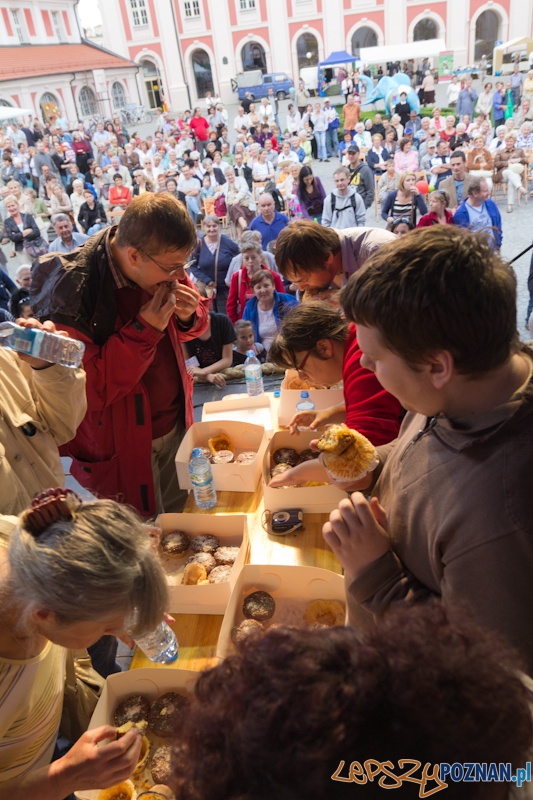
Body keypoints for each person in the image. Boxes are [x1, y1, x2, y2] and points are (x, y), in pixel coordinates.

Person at [325, 226, 533, 677]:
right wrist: (372, 464)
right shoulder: (460, 389)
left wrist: (376, 574)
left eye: (375, 359)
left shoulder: (502, 515)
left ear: (438, 366)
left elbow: (482, 673)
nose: (362, 365)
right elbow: (420, 445)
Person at [30, 193, 210, 517]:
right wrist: (146, 328)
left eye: (184, 266)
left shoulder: (159, 255)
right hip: (121, 445)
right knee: (144, 537)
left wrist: (189, 315)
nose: (179, 276)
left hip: (176, 422)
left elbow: (195, 325)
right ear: (134, 255)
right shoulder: (72, 291)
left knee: (181, 519)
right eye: (173, 268)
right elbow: (89, 388)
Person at [0, 490, 169, 797]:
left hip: (45, 745)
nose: (122, 633)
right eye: (106, 626)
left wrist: (122, 602)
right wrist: (63, 778)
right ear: (43, 615)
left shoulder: (32, 542)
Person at [268, 302, 401, 450]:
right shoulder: (354, 338)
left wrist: (301, 472)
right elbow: (370, 405)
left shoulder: (361, 359)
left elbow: (365, 448)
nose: (301, 377)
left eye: (301, 367)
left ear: (324, 348)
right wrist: (328, 414)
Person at [275, 221, 396, 292]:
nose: (301, 288)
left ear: (326, 257)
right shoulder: (326, 268)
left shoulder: (379, 253)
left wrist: (344, 300)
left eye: (304, 279)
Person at [189, 215, 240, 313]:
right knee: (210, 319)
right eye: (208, 226)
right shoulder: (199, 244)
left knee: (226, 318)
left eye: (214, 226)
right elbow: (192, 265)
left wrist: (233, 276)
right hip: (207, 291)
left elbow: (240, 256)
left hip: (226, 291)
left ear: (219, 226)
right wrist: (207, 280)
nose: (211, 229)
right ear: (203, 228)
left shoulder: (227, 242)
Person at [226, 239, 285, 324]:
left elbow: (282, 300)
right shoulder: (237, 277)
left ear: (260, 257)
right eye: (246, 258)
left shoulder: (274, 277)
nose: (250, 261)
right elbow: (231, 305)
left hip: (271, 322)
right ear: (242, 259)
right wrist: (235, 325)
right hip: (246, 324)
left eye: (253, 257)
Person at [242, 269, 297, 353]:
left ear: (273, 286)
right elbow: (245, 336)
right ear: (253, 291)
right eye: (258, 287)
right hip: (262, 356)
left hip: (288, 351)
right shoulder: (249, 309)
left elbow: (299, 327)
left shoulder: (288, 301)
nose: (263, 290)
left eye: (266, 285)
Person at [184, 310, 236, 387]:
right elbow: (189, 364)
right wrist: (207, 376)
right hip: (198, 380)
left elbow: (227, 359)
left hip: (224, 374)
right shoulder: (182, 329)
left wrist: (204, 372)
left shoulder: (222, 321)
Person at [453, 178, 502, 248]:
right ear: (475, 193)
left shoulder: (491, 204)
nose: (489, 193)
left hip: (493, 253)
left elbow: (498, 226)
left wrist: (497, 247)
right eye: (485, 191)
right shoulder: (461, 214)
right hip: (476, 255)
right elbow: (463, 241)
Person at [493, 133, 528, 213]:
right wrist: (507, 162)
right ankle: (520, 188)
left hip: (516, 175)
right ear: (505, 142)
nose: (509, 143)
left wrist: (518, 160)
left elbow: (526, 160)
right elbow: (496, 164)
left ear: (514, 142)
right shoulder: (500, 152)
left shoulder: (519, 151)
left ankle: (510, 205)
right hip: (503, 174)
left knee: (511, 181)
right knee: (509, 172)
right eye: (507, 141)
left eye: (511, 141)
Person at [4, 195, 43, 265]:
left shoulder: (28, 216)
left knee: (40, 269)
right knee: (27, 271)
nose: (11, 208)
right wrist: (26, 232)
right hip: (21, 250)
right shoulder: (7, 221)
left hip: (35, 247)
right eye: (8, 206)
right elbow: (12, 238)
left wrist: (18, 236)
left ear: (18, 205)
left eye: (13, 205)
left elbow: (37, 232)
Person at [346, 146, 374, 210]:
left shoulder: (366, 170)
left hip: (360, 204)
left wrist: (364, 206)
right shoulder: (346, 170)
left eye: (353, 154)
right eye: (349, 154)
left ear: (358, 154)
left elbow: (370, 191)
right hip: (347, 205)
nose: (351, 156)